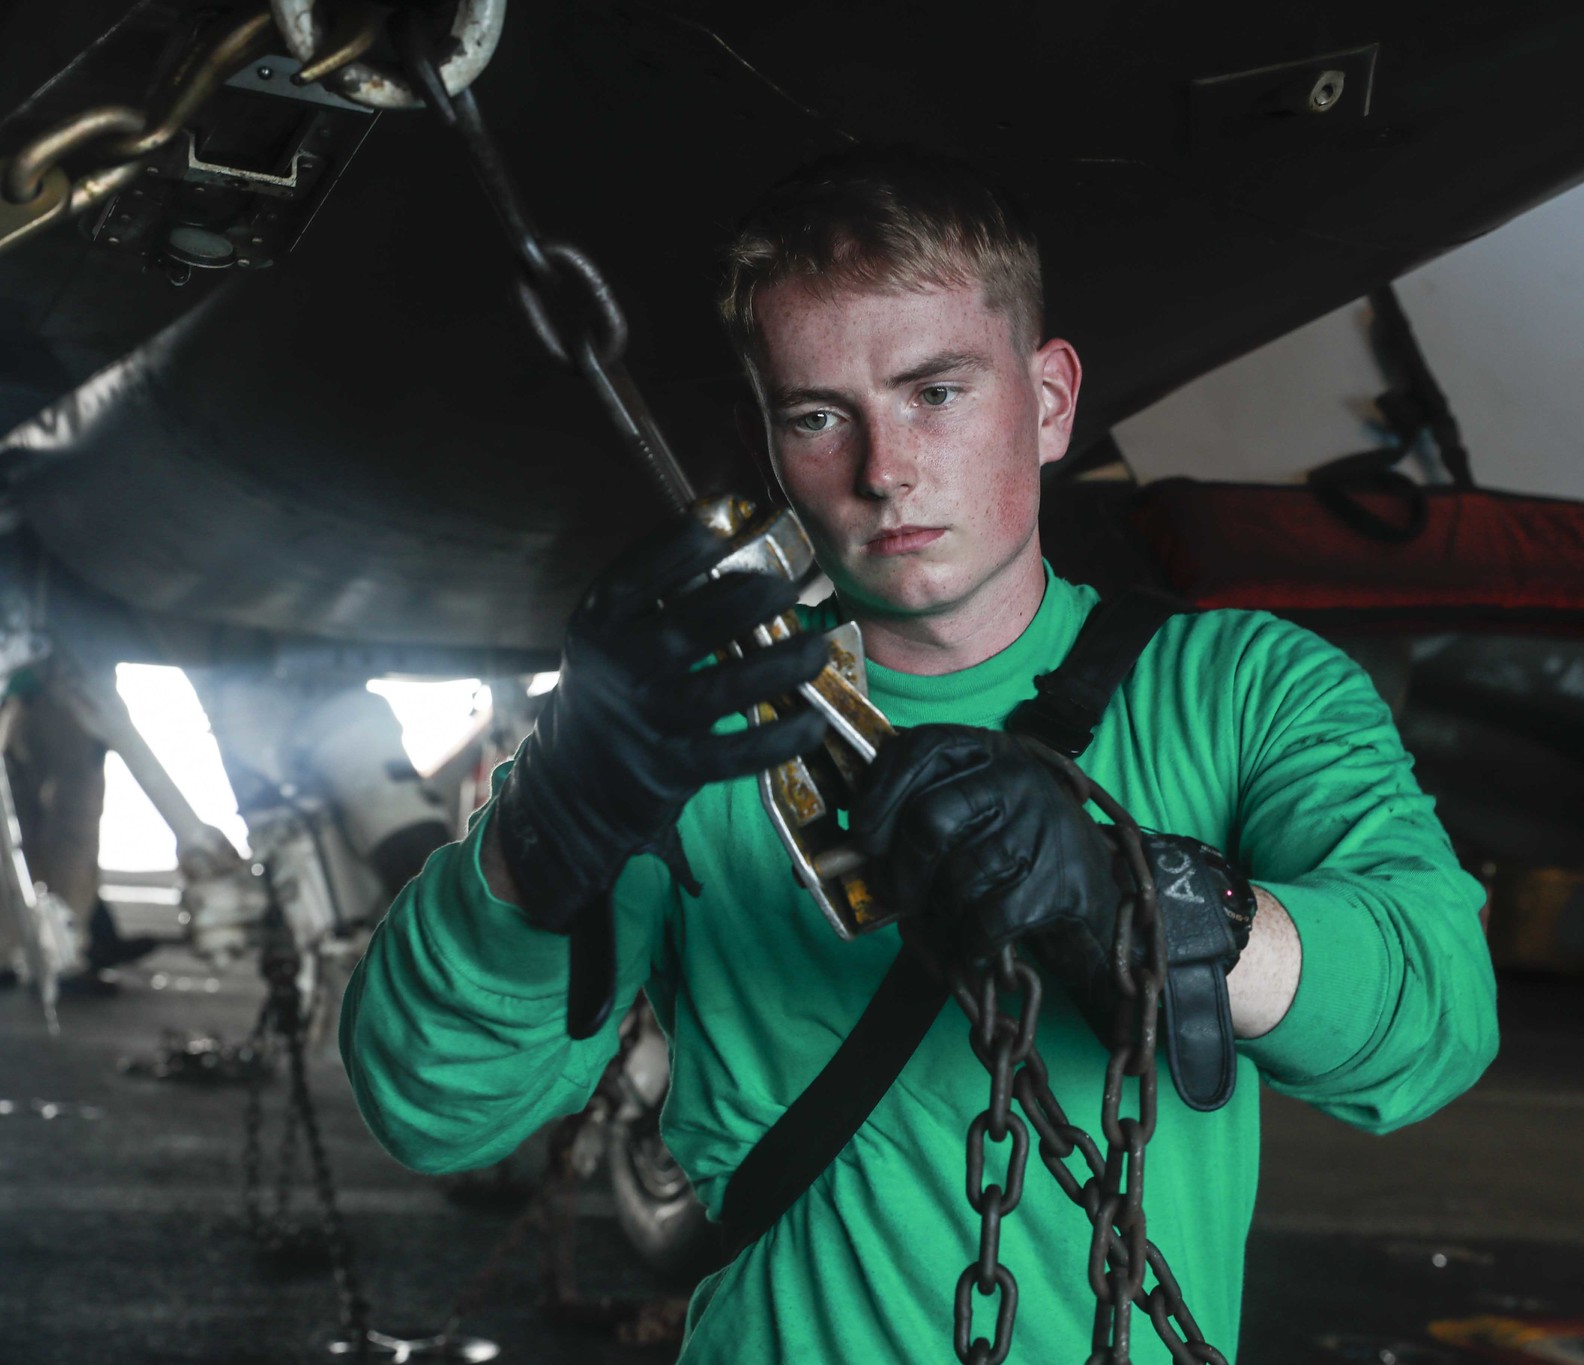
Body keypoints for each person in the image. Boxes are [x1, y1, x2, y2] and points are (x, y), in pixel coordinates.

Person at [339, 146, 1498, 1363]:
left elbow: (1432, 1024)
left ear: (1047, 402)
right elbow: (434, 1115)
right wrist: (539, 841)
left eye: (934, 393)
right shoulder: (686, 727)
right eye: (817, 416)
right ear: (767, 441)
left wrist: (1145, 896)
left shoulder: (1242, 689)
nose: (882, 472)